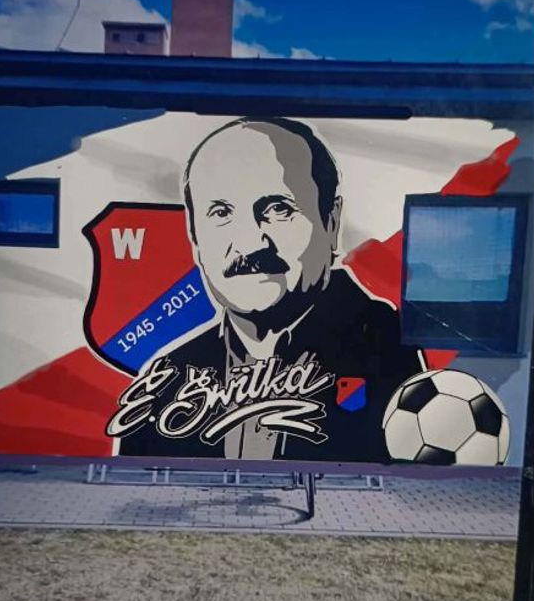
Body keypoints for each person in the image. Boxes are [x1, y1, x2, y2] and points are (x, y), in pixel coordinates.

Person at [116, 117, 424, 463]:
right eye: (220, 212)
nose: (249, 243)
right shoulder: (168, 380)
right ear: (195, 234)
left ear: (332, 222)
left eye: (278, 208)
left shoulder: (381, 346)